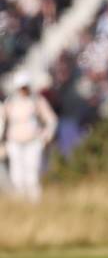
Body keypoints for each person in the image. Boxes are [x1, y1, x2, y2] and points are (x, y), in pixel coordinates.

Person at [3, 73, 58, 202]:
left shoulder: (37, 101)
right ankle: (20, 203)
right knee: (17, 175)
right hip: (14, 142)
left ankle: (34, 202)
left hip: (33, 142)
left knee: (32, 174)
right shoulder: (10, 103)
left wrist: (46, 136)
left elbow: (51, 120)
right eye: (20, 87)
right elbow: (3, 121)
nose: (23, 90)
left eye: (25, 87)